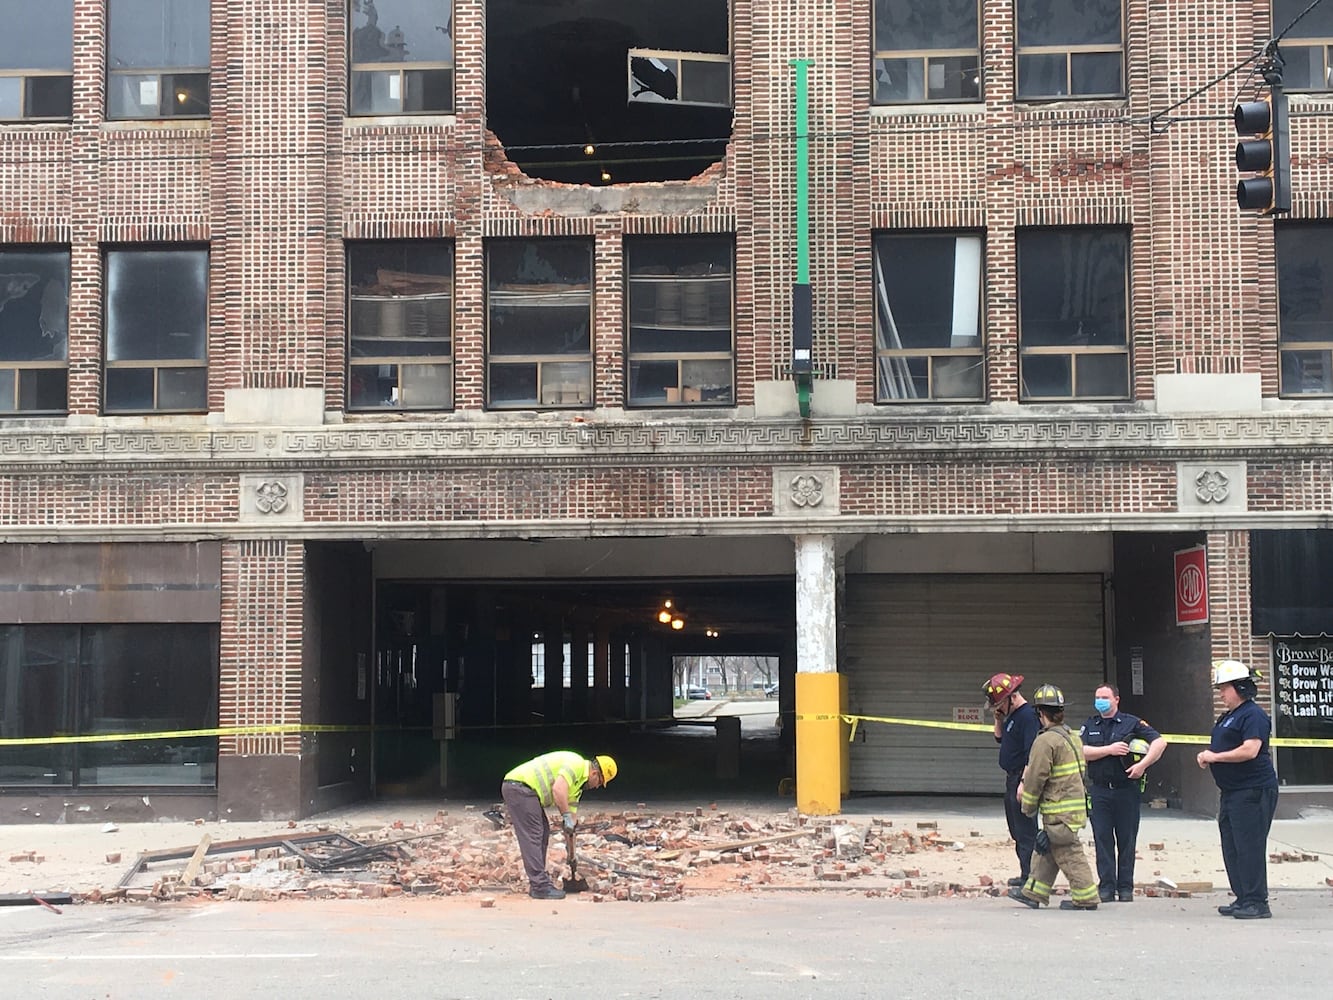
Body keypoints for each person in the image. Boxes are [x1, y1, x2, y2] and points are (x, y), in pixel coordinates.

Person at [1196, 659, 1278, 919]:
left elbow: (1250, 749)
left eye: (1225, 688)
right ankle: (1243, 897)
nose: (1221, 694)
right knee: (1232, 846)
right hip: (1232, 792)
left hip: (1253, 790)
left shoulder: (1253, 715)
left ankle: (1257, 901)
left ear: (1241, 688)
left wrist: (1214, 757)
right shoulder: (1228, 716)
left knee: (1249, 846)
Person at [1010, 684, 1101, 910]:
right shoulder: (1072, 737)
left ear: (1040, 713)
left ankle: (1086, 897)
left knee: (1068, 851)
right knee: (1047, 847)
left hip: (1060, 811)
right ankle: (1033, 893)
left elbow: (1036, 776)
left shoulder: (1045, 741)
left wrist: (1027, 806)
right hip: (1073, 808)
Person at [1079, 683, 1168, 902]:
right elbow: (1080, 751)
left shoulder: (1132, 723)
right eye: (1098, 696)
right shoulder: (1090, 724)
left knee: (1126, 840)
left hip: (1126, 790)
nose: (1101, 700)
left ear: (1116, 699)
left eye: (1105, 697)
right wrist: (1108, 750)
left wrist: (1142, 765)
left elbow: (1160, 742)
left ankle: (1125, 887)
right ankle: (1107, 887)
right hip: (1099, 791)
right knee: (1102, 839)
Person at [501, 750, 618, 899]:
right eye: (600, 782)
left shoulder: (576, 789)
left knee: (542, 832)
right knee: (534, 833)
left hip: (525, 790)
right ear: (595, 773)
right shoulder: (576, 764)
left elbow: (571, 826)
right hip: (519, 786)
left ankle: (539, 883)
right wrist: (566, 815)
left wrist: (572, 854)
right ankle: (539, 886)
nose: (597, 787)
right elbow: (558, 789)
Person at [984, 672, 1040, 886]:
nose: (997, 707)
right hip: (1011, 778)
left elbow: (1032, 753)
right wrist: (998, 719)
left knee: (1026, 831)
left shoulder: (1027, 717)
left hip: (1021, 778)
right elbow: (1000, 739)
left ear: (1011, 697)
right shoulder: (1012, 716)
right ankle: (1025, 873)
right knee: (1017, 830)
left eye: (999, 703)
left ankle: (1033, 878)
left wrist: (1024, 784)